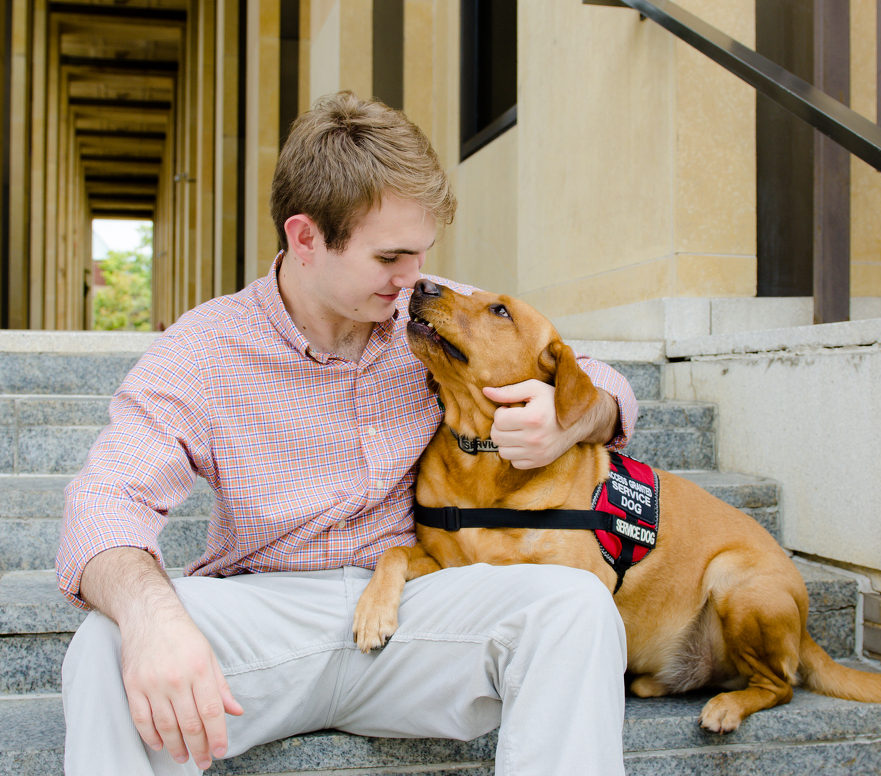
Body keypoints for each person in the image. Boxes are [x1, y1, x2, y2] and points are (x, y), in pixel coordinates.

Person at [57, 91, 639, 776]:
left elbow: (598, 380)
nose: (413, 277)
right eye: (391, 256)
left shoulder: (425, 315)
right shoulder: (204, 350)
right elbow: (103, 503)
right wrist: (152, 617)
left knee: (574, 605)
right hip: (265, 614)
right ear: (305, 238)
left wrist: (573, 419)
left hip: (418, 610)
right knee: (103, 646)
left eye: (421, 254)